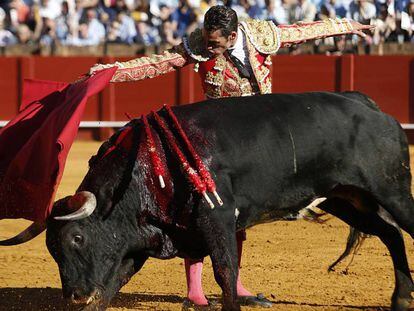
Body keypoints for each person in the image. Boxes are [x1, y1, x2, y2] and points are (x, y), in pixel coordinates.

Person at [88, 5, 373, 308]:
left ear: (233, 35)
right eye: (207, 42)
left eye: (215, 43)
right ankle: (194, 291)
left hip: (254, 142)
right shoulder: (199, 45)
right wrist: (112, 72)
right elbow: (159, 63)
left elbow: (302, 31)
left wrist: (345, 25)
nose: (208, 48)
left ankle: (234, 283)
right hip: (214, 141)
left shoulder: (262, 36)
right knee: (200, 210)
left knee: (238, 216)